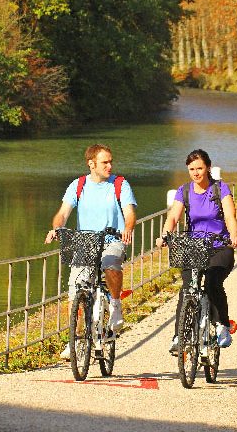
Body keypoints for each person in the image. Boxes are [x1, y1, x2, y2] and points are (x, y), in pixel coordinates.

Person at [45, 144, 137, 360]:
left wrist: (128, 228)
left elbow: (129, 212)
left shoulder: (120, 184)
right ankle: (75, 339)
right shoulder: (78, 185)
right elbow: (63, 213)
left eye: (110, 161)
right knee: (76, 290)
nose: (110, 166)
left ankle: (115, 304)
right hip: (85, 243)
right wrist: (57, 228)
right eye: (105, 162)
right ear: (91, 164)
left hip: (112, 238)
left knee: (111, 264)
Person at [155, 148, 237, 353]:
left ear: (208, 167)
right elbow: (173, 216)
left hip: (219, 246)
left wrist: (234, 235)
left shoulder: (221, 189)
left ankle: (222, 326)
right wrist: (165, 235)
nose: (195, 172)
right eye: (192, 169)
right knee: (187, 288)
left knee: (212, 281)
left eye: (199, 168)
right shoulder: (184, 191)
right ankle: (179, 336)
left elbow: (230, 216)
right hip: (193, 247)